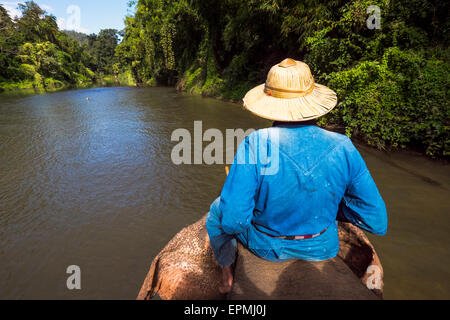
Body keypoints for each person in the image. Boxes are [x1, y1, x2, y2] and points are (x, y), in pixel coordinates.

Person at [205, 58, 388, 293]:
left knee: (217, 210)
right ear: (312, 102)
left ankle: (227, 275)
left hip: (267, 248)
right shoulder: (344, 146)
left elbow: (233, 221)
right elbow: (377, 221)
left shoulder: (255, 143)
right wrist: (333, 208)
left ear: (270, 103)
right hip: (324, 247)